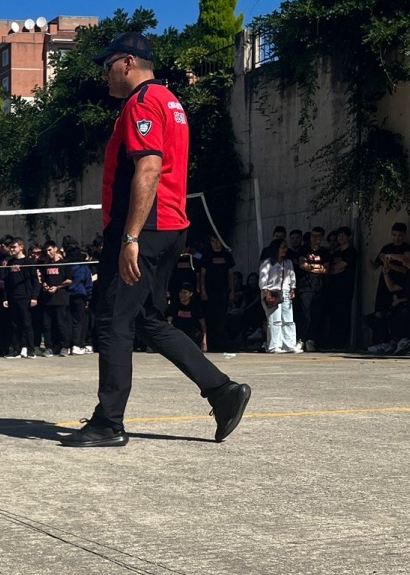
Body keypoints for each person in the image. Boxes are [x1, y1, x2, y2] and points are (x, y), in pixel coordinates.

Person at [63, 32, 250, 448]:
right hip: (169, 227)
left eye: (108, 64)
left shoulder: (142, 103)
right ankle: (222, 391)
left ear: (128, 63)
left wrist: (129, 235)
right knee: (146, 318)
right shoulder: (171, 101)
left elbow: (148, 169)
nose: (105, 74)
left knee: (112, 319)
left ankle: (108, 423)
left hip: (144, 229)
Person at [259, 238, 298, 353]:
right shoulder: (267, 263)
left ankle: (289, 344)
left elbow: (292, 276)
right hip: (272, 292)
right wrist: (266, 293)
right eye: (282, 247)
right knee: (275, 320)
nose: (285, 250)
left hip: (285, 291)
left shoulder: (288, 262)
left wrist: (292, 288)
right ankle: (274, 346)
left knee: (288, 319)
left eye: (286, 247)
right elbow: (263, 280)